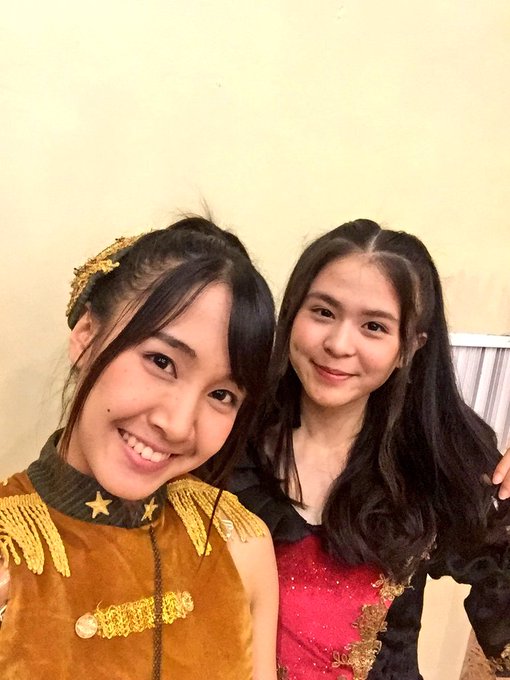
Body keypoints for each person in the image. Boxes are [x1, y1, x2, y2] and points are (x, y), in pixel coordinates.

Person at [0, 217, 279, 679]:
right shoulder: (10, 550)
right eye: (162, 362)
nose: (178, 425)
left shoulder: (239, 542)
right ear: (86, 336)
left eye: (221, 394)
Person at [232, 219, 510, 680]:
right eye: (323, 312)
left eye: (374, 326)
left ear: (410, 347)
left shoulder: (440, 466)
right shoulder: (225, 442)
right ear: (292, 313)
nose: (338, 344)